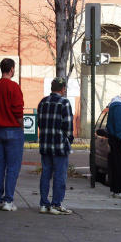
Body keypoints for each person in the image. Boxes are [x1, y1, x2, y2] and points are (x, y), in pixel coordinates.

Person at [0, 58, 24, 211]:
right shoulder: (14, 87)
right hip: (13, 129)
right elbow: (18, 109)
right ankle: (8, 200)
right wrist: (21, 126)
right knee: (13, 167)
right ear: (12, 69)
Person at [37, 77, 74, 215]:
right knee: (60, 175)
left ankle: (43, 203)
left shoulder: (43, 102)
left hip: (45, 145)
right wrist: (69, 141)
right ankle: (56, 204)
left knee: (45, 174)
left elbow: (40, 123)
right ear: (63, 88)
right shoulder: (64, 103)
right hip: (59, 146)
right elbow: (68, 127)